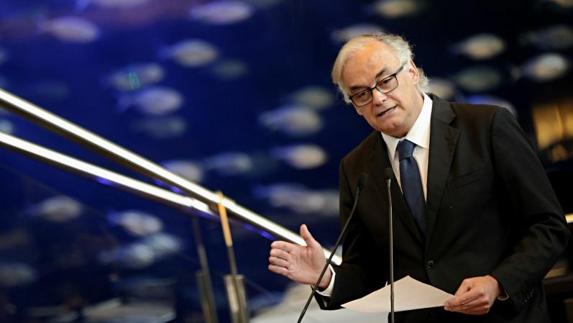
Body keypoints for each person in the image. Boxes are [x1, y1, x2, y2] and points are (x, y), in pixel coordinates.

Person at [268, 33, 570, 323]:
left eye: (385, 81)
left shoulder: (487, 127)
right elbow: (368, 269)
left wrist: (498, 283)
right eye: (361, 93)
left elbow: (547, 226)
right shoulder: (355, 167)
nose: (378, 98)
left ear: (412, 71)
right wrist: (326, 279)